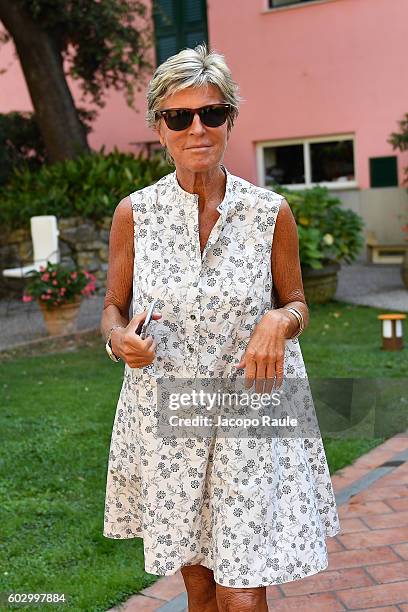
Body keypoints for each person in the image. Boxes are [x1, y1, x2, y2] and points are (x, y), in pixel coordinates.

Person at [101, 43, 340, 612]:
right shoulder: (133, 214)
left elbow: (299, 301)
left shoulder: (270, 212)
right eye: (178, 117)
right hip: (169, 414)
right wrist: (119, 340)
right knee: (199, 583)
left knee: (243, 591)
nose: (196, 128)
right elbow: (111, 307)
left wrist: (280, 322)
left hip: (251, 414)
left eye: (212, 113)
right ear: (160, 129)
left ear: (230, 119)